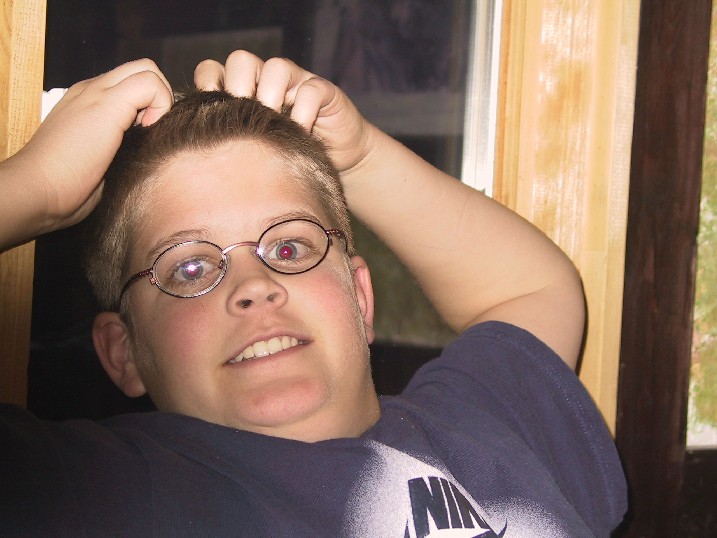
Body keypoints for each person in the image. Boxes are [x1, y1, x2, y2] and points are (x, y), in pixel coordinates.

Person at [0, 51, 626, 536]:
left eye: (289, 249)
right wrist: (36, 188)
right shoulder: (84, 494)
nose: (254, 287)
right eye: (189, 268)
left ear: (360, 296)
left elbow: (531, 288)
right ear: (124, 352)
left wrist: (362, 157)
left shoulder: (480, 431)